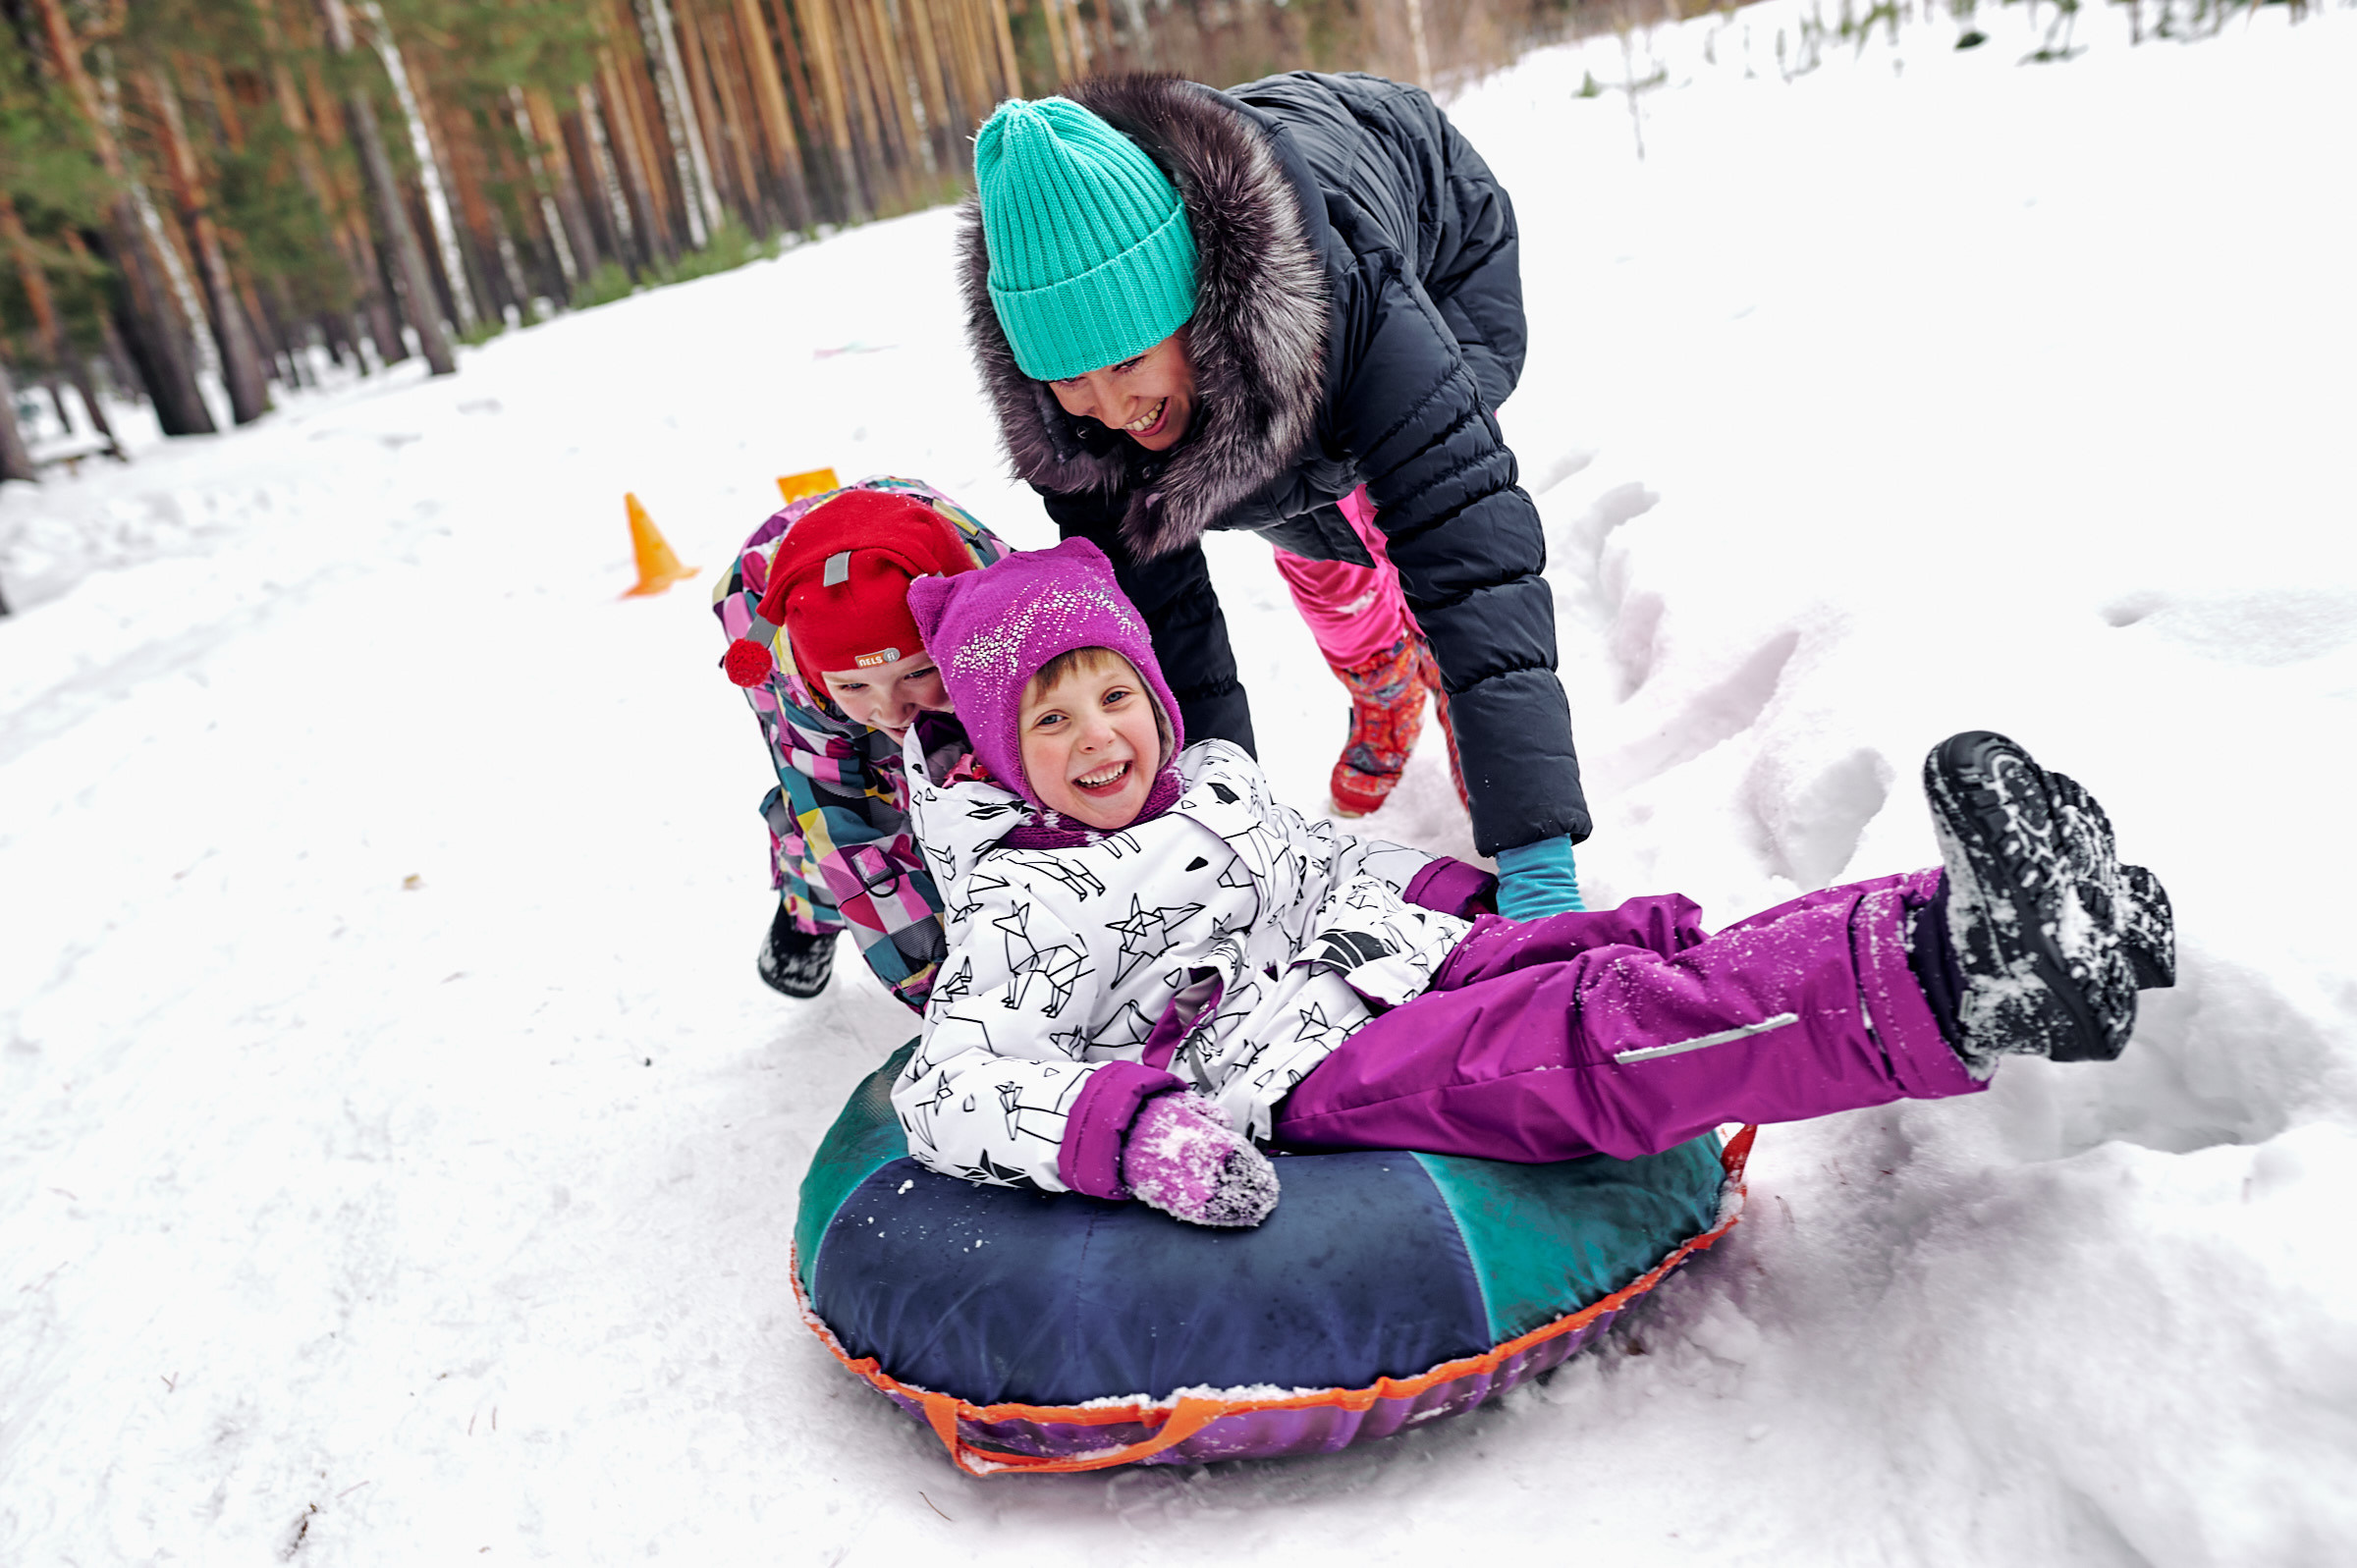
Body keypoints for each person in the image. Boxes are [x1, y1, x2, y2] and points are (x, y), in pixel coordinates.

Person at [889, 540, 2177, 1227]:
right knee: (1595, 1037)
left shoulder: (1211, 786)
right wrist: (1129, 1130)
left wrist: (1468, 911)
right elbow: (947, 1082)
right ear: (1009, 751)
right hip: (1290, 1071)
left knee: (1637, 956)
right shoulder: (1017, 902)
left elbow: (1328, 863)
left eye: (1115, 693)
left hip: (1391, 966)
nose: (1101, 737)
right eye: (1052, 723)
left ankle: (1993, 914)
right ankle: (1966, 982)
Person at [959, 78, 1581, 911]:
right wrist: (1219, 829)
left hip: (1432, 252)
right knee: (1313, 545)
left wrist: (1532, 840)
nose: (1110, 409)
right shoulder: (1069, 421)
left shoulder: (1363, 297)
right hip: (1251, 379)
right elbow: (1154, 614)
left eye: (1127, 363)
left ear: (1191, 310)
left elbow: (1470, 547)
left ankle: (1445, 684)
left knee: (1401, 525)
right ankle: (1381, 684)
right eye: (1071, 378)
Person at [712, 478, 1006, 1005]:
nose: (890, 709)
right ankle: (809, 914)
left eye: (916, 674)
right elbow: (842, 825)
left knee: (994, 752)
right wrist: (940, 991)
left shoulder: (1003, 607)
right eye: (855, 685)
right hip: (774, 608)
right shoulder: (797, 679)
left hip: (919, 560)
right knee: (843, 800)